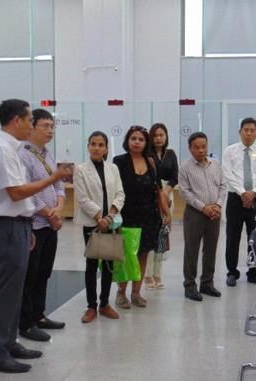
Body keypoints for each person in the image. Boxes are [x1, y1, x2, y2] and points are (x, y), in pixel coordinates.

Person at [0, 99, 70, 373]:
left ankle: (9, 342)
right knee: (6, 290)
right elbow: (16, 192)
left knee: (16, 288)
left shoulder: (13, 148)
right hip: (6, 226)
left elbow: (22, 197)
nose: (32, 125)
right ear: (16, 120)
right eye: (31, 120)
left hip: (20, 224)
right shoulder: (1, 150)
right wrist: (54, 177)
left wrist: (28, 222)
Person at [16, 109, 67, 342]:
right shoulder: (23, 154)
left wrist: (58, 209)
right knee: (30, 275)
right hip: (34, 224)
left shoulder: (47, 154)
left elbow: (59, 186)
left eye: (52, 126)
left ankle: (39, 315)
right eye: (45, 126)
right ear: (32, 127)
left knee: (44, 273)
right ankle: (26, 323)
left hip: (50, 224)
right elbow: (26, 192)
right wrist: (49, 213)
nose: (50, 131)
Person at [113, 125, 172, 309]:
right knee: (125, 256)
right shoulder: (119, 161)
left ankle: (136, 292)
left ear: (146, 143)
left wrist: (167, 213)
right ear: (127, 141)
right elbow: (113, 190)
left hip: (149, 216)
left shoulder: (151, 162)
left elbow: (159, 190)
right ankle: (121, 293)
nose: (137, 142)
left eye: (141, 139)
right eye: (133, 138)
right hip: (126, 216)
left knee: (143, 255)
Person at [74, 131, 125, 323]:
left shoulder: (113, 168)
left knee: (109, 265)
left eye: (100, 144)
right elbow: (83, 198)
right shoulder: (80, 170)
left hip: (111, 223)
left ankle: (104, 304)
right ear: (88, 146)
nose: (96, 148)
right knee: (92, 264)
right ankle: (91, 307)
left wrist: (109, 217)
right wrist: (99, 218)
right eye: (93, 144)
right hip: (92, 225)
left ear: (106, 148)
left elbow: (120, 194)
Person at [222, 118, 256, 287]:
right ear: (240, 131)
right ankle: (232, 272)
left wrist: (253, 193)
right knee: (232, 237)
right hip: (235, 199)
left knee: (254, 237)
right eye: (246, 130)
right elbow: (228, 174)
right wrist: (243, 193)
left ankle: (252, 271)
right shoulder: (230, 151)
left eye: (252, 130)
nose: (249, 133)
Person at [178, 132, 226, 301]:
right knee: (192, 250)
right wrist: (203, 207)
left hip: (215, 213)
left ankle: (207, 283)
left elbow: (223, 186)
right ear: (190, 148)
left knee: (211, 250)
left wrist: (218, 205)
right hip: (195, 213)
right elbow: (184, 192)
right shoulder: (185, 167)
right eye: (196, 147)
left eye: (203, 146)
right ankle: (190, 286)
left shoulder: (216, 164)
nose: (200, 150)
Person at [144, 123, 178, 290]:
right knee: (151, 235)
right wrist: (159, 191)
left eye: (161, 135)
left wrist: (167, 190)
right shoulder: (147, 154)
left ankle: (158, 274)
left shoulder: (171, 154)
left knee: (162, 235)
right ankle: (147, 274)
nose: (158, 138)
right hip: (151, 195)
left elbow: (175, 175)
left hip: (168, 193)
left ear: (166, 137)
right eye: (155, 135)